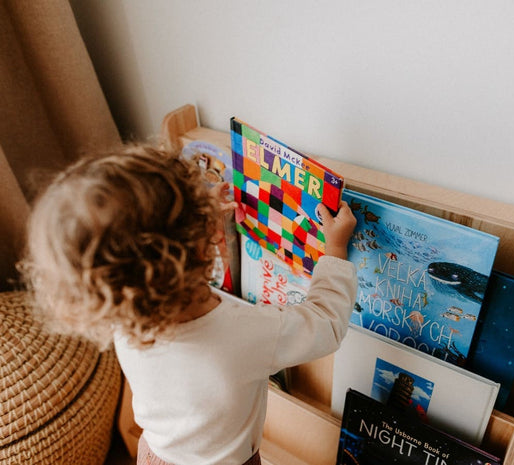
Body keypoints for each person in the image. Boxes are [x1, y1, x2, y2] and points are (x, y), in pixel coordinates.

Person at [20, 144, 358, 465]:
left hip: (158, 456)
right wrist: (335, 251)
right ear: (204, 241)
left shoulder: (123, 312)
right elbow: (326, 323)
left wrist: (198, 219)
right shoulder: (244, 333)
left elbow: (153, 260)